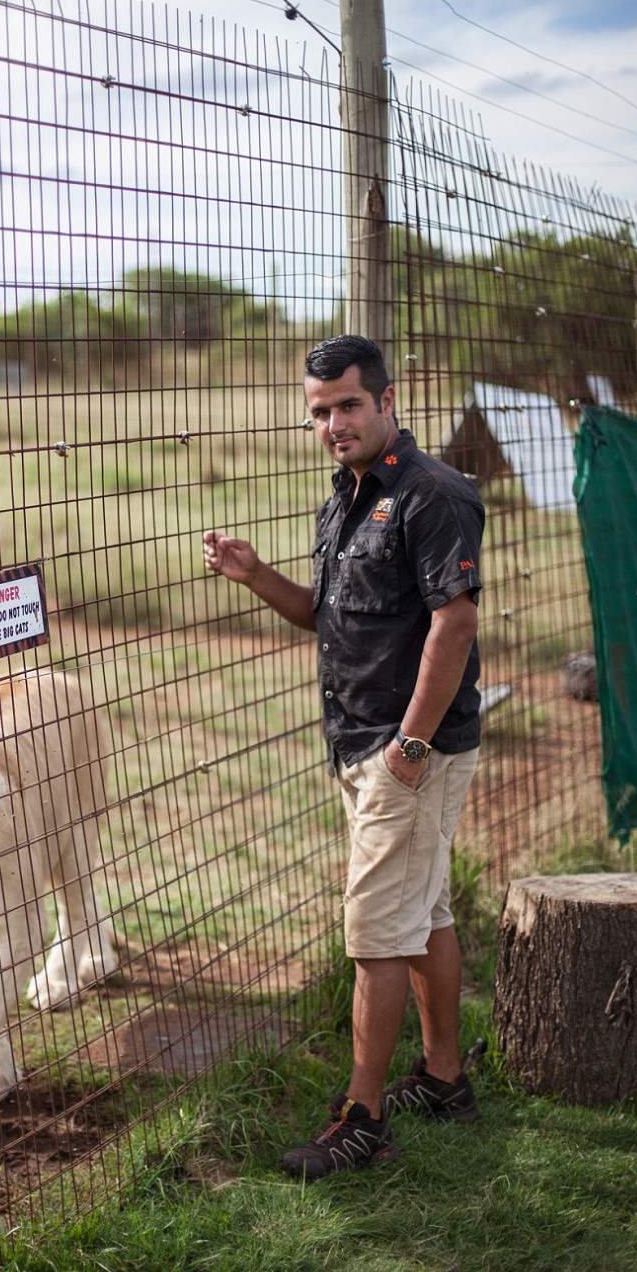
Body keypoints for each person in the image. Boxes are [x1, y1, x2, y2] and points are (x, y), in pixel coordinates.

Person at [203, 334, 485, 1179]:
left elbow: (456, 622)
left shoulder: (432, 495)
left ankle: (362, 1119)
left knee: (373, 933)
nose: (333, 422)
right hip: (364, 745)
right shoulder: (345, 496)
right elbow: (326, 615)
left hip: (409, 750)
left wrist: (410, 743)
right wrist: (258, 576)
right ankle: (443, 1078)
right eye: (320, 410)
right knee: (423, 913)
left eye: (348, 405)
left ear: (387, 402)